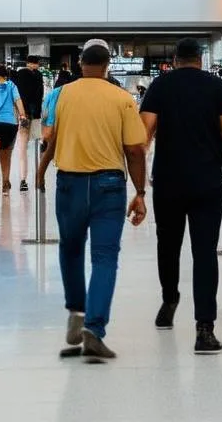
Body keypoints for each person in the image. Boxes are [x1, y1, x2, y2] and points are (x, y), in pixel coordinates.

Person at [37, 40, 147, 360]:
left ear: (79, 63)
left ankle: (76, 312)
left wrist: (41, 171)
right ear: (107, 66)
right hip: (108, 186)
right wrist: (139, 193)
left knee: (70, 249)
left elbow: (52, 137)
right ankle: (94, 329)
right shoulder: (122, 98)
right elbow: (135, 150)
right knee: (104, 257)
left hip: (69, 183)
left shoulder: (63, 94)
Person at [139, 37, 222, 353]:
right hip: (207, 182)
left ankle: (169, 299)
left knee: (168, 244)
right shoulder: (217, 87)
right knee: (204, 253)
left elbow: (143, 133)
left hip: (169, 181)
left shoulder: (159, 87)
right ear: (200, 59)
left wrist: (138, 182)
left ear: (175, 60)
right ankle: (204, 329)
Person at [0, 64, 26, 195]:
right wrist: (22, 115)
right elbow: (18, 101)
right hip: (10, 124)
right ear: (6, 75)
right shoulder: (11, 85)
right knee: (5, 155)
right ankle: (5, 183)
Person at [15, 56, 45, 192]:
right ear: (36, 64)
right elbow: (40, 95)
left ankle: (23, 179)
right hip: (36, 114)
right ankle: (40, 177)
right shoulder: (38, 76)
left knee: (22, 146)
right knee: (38, 144)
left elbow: (17, 96)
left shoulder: (20, 74)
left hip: (24, 115)